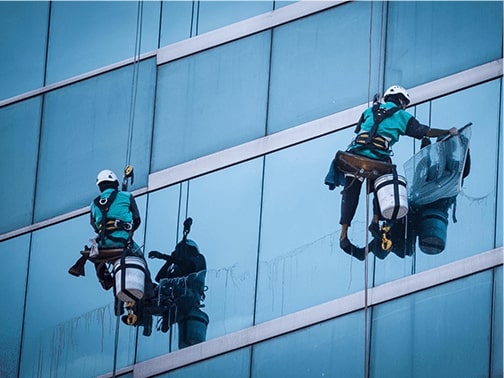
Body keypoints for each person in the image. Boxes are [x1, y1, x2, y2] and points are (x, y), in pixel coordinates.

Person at [338, 85, 458, 254]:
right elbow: (425, 131)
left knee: (351, 191)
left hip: (353, 155)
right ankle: (375, 221)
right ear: (401, 101)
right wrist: (448, 131)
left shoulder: (369, 111)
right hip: (378, 156)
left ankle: (343, 234)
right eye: (404, 104)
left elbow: (359, 129)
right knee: (387, 184)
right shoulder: (401, 115)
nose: (404, 107)